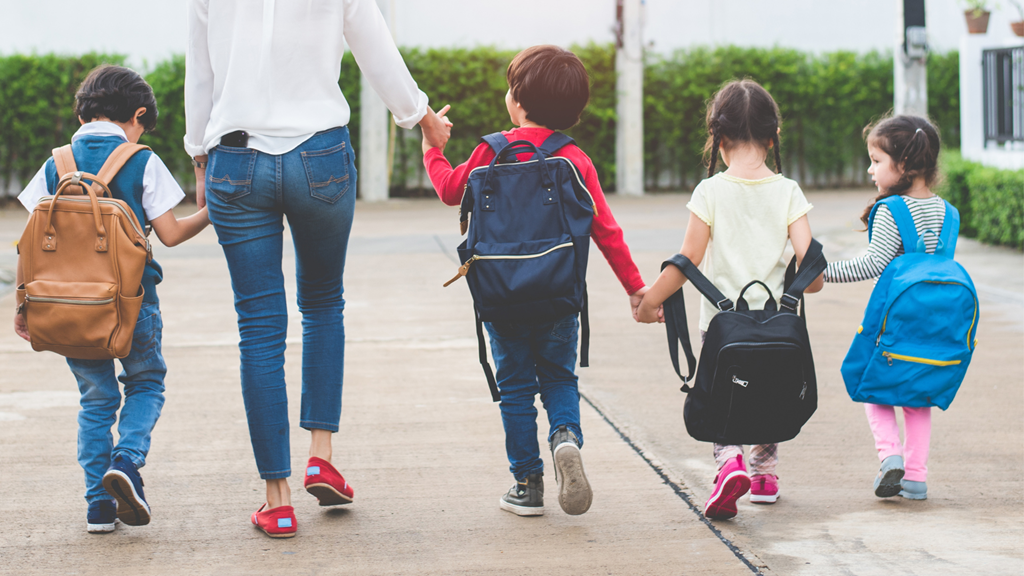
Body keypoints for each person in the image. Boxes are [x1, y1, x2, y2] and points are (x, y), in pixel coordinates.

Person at [183, 0, 451, 538]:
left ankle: (276, 501)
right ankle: (321, 457)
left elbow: (201, 71)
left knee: (259, 328)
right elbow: (376, 47)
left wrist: (199, 155)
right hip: (320, 158)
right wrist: (421, 118)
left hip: (237, 161)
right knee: (324, 305)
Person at [422, 45, 648, 517]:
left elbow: (449, 191)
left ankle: (527, 485)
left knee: (517, 389)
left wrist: (432, 149)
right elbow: (606, 230)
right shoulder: (574, 159)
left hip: (501, 297)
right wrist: (635, 287)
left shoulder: (490, 151)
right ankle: (565, 437)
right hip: (559, 295)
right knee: (560, 378)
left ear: (517, 102)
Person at [13, 64, 210, 533]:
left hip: (65, 308)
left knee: (96, 401)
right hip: (131, 302)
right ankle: (127, 460)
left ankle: (98, 508)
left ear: (85, 110)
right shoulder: (140, 158)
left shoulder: (54, 163)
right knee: (146, 382)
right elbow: (171, 234)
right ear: (137, 114)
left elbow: (30, 241)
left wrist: (24, 305)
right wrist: (212, 212)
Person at [636, 79, 823, 520]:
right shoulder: (789, 191)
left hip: (721, 326)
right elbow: (811, 271)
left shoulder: (711, 191)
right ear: (773, 136)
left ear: (719, 140)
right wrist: (799, 286)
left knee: (725, 393)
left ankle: (729, 464)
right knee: (770, 388)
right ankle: (764, 475)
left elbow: (688, 261)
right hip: (778, 323)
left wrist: (649, 302)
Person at [823, 115, 945, 501]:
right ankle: (917, 479)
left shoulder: (893, 211)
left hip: (892, 321)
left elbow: (871, 265)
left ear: (904, 166)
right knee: (918, 396)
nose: (870, 169)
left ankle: (890, 455)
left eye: (877, 160)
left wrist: (820, 272)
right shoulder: (948, 212)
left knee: (870, 386)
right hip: (933, 324)